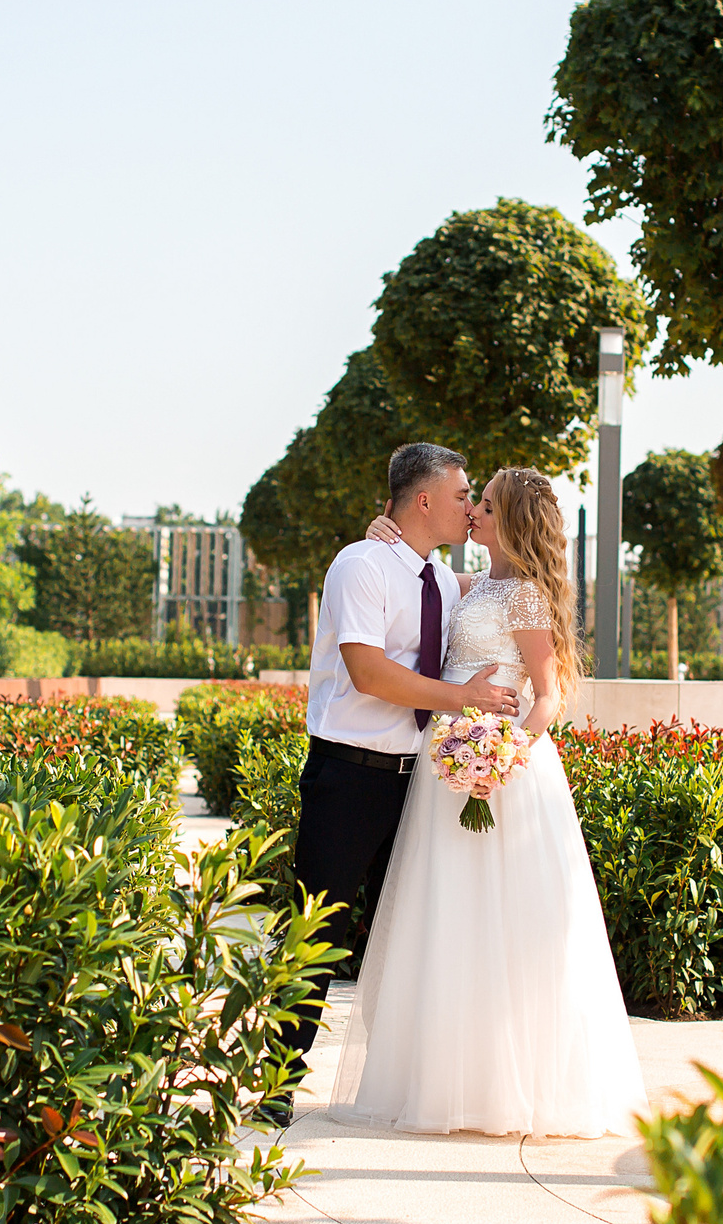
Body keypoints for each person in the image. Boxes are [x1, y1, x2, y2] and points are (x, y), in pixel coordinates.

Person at [331, 467, 647, 1138]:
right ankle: (449, 1080)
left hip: (502, 773)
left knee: (506, 925)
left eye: (486, 504)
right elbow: (422, 589)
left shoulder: (527, 596)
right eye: (472, 500)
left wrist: (505, 758)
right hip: (447, 769)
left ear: (510, 521)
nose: (472, 510)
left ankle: (513, 1086)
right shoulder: (471, 585)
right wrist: (383, 534)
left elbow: (547, 694)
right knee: (451, 922)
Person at [272, 442, 519, 1126]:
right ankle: (273, 1082)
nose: (471, 504)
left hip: (421, 785)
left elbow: (512, 582)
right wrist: (459, 697)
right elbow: (370, 675)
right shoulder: (360, 564)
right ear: (423, 500)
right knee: (316, 929)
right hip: (349, 777)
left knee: (418, 935)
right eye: (464, 493)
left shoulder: (442, 579)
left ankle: (419, 1082)